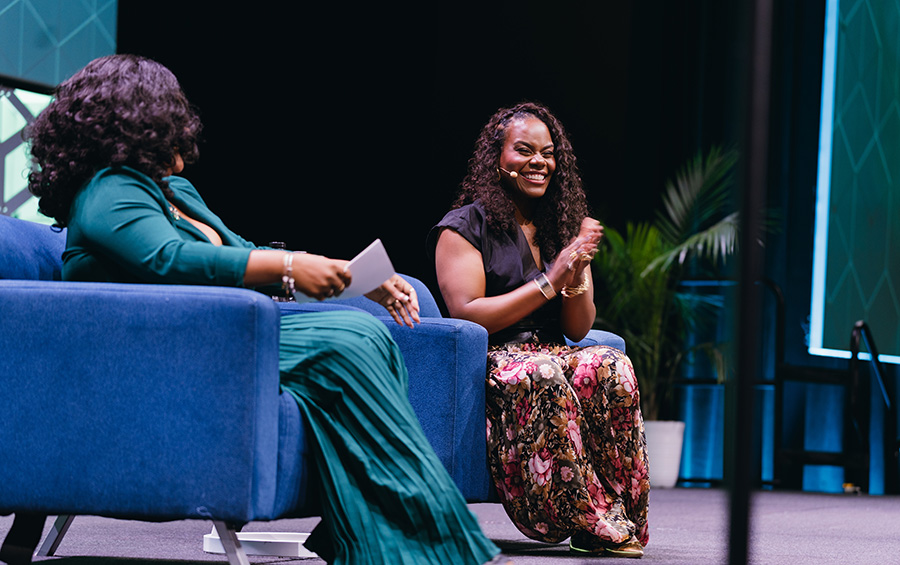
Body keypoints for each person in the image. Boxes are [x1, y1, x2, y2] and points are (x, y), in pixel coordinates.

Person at [25, 54, 509, 565]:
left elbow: (240, 250)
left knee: (366, 332)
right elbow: (169, 260)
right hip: (158, 349)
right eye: (168, 118)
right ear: (134, 117)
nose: (180, 138)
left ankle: (378, 533)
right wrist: (290, 264)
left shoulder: (172, 192)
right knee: (348, 340)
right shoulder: (107, 190)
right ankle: (414, 540)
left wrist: (354, 278)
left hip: (221, 331)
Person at [429, 102, 650, 557]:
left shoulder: (556, 227)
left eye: (548, 154)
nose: (539, 162)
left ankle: (621, 513)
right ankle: (586, 515)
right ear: (497, 159)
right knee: (544, 370)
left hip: (550, 350)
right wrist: (551, 278)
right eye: (524, 150)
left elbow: (578, 328)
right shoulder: (464, 227)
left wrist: (578, 272)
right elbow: (468, 313)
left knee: (610, 364)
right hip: (493, 359)